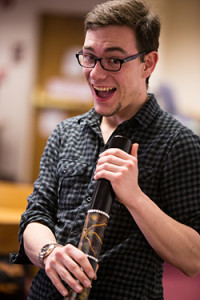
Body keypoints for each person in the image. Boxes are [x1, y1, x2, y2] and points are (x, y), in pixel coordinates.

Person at [11, 0, 200, 299]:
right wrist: (49, 253)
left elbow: (193, 259)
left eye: (114, 60)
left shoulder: (179, 143)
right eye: (89, 57)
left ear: (148, 63)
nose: (96, 74)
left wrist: (135, 198)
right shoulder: (65, 133)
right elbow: (35, 217)